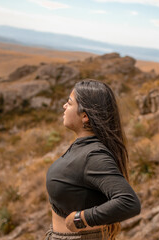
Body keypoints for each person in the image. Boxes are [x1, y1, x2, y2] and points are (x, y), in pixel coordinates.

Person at [45, 79, 141, 240]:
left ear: (84, 116)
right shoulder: (84, 147)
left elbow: (128, 203)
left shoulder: (94, 156)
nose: (64, 106)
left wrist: (81, 219)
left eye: (69, 103)